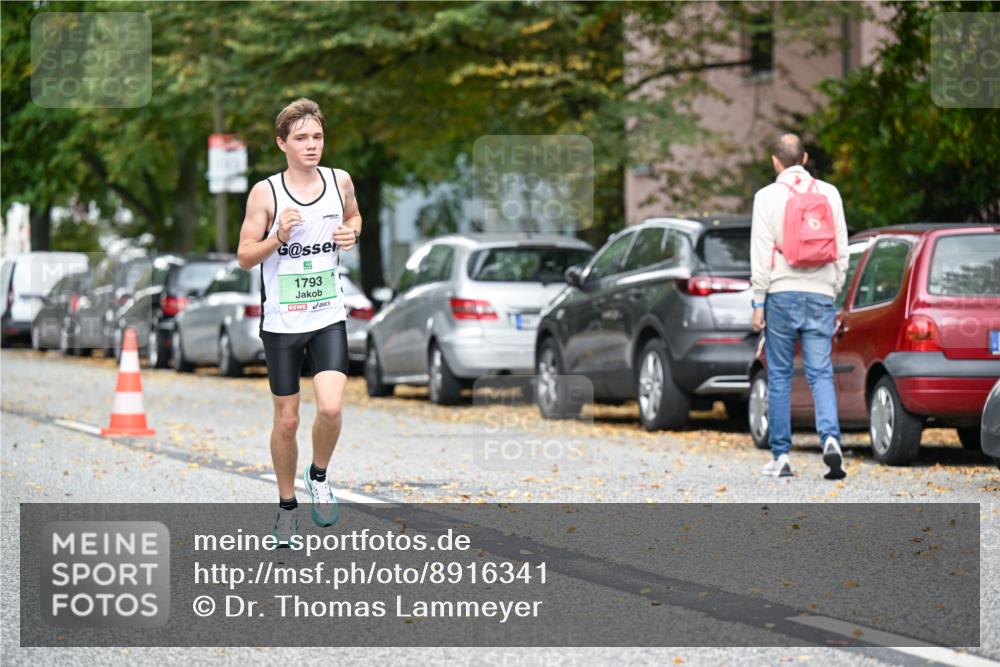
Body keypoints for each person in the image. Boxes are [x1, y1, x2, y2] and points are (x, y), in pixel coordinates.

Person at [237, 98, 362, 542]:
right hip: (282, 324)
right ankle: (286, 507)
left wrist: (353, 231)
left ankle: (320, 476)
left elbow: (353, 215)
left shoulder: (338, 180)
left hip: (328, 315)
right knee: (287, 420)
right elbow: (244, 256)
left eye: (318, 137)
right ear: (282, 143)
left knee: (330, 407)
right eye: (302, 138)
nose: (312, 146)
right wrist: (278, 237)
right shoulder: (266, 193)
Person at [750, 133, 848, 480]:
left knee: (778, 374)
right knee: (820, 372)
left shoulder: (766, 197)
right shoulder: (830, 194)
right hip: (821, 292)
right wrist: (831, 289)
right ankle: (831, 441)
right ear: (804, 158)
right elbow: (842, 249)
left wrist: (758, 302)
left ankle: (781, 456)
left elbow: (761, 254)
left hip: (781, 293)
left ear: (776, 161)